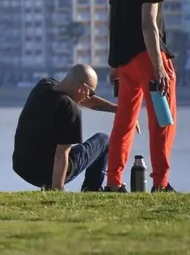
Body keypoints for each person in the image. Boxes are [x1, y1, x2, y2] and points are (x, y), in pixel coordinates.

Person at [106, 0, 178, 192]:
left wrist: (114, 63)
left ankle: (113, 182)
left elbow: (113, 22)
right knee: (162, 121)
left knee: (124, 122)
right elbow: (149, 24)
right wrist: (159, 68)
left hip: (124, 62)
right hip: (149, 58)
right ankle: (161, 183)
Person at [11, 64, 126, 192]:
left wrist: (116, 109)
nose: (89, 97)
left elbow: (85, 99)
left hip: (21, 166)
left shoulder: (43, 86)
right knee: (103, 140)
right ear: (81, 88)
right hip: (45, 174)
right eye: (91, 92)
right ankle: (91, 189)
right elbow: (62, 154)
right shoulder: (70, 109)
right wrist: (57, 190)